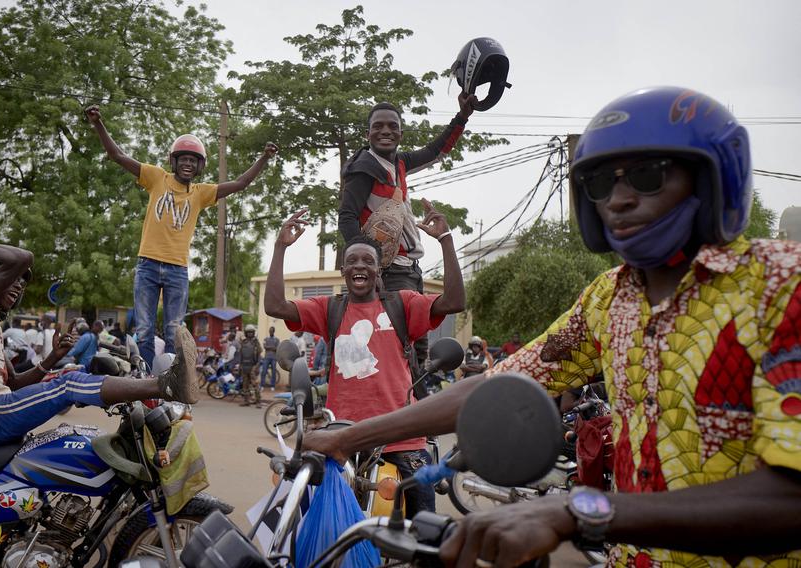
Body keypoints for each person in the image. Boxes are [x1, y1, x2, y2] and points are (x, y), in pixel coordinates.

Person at [304, 87, 801, 566]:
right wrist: (347, 439)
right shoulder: (611, 297)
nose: (619, 200)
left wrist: (575, 510)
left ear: (713, 179)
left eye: (647, 177)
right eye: (603, 185)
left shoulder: (781, 286)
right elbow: (493, 388)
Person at [266, 201, 465, 518]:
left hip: (402, 438)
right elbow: (276, 306)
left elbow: (454, 301)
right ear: (344, 271)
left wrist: (446, 240)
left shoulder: (404, 304)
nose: (360, 266)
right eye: (352, 261)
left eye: (368, 261)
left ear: (378, 269)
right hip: (343, 438)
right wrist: (280, 247)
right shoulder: (329, 308)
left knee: (422, 530)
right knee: (321, 523)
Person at [0, 242, 202, 445]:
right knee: (69, 385)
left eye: (22, 282)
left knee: (70, 414)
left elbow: (16, 383)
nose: (19, 285)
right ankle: (165, 385)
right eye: (11, 278)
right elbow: (22, 257)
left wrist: (53, 358)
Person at [85, 105, 278, 371]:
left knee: (174, 329)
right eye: (183, 159)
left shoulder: (201, 193)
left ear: (199, 166)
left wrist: (263, 158)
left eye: (193, 160)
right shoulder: (155, 177)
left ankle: (171, 379)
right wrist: (98, 123)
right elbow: (116, 154)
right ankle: (146, 378)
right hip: (148, 265)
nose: (187, 164)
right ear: (174, 161)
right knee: (144, 329)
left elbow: (240, 183)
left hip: (177, 269)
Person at [338, 94, 477, 370]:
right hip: (390, 274)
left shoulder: (399, 163)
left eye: (392, 126)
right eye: (378, 126)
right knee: (405, 351)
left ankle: (413, 402)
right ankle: (406, 405)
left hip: (411, 270)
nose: (385, 131)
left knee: (418, 349)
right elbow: (346, 218)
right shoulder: (364, 170)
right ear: (368, 134)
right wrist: (369, 267)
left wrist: (462, 116)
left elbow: (437, 150)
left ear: (401, 133)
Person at [238, 324, 263, 408]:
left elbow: (259, 356)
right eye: (248, 332)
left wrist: (257, 366)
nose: (250, 334)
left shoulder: (256, 342)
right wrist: (240, 366)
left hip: (253, 366)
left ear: (253, 333)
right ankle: (246, 401)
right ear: (246, 333)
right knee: (245, 385)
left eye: (251, 332)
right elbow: (241, 355)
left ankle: (258, 401)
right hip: (244, 366)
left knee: (255, 384)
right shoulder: (243, 342)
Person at [260, 326, 280, 391]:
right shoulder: (266, 339)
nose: (270, 332)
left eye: (272, 331)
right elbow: (265, 347)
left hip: (274, 358)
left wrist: (269, 348)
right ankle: (262, 385)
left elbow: (277, 348)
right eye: (270, 331)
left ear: (274, 331)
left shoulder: (277, 340)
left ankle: (272, 386)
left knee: (273, 372)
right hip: (266, 357)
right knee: (264, 371)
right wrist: (272, 348)